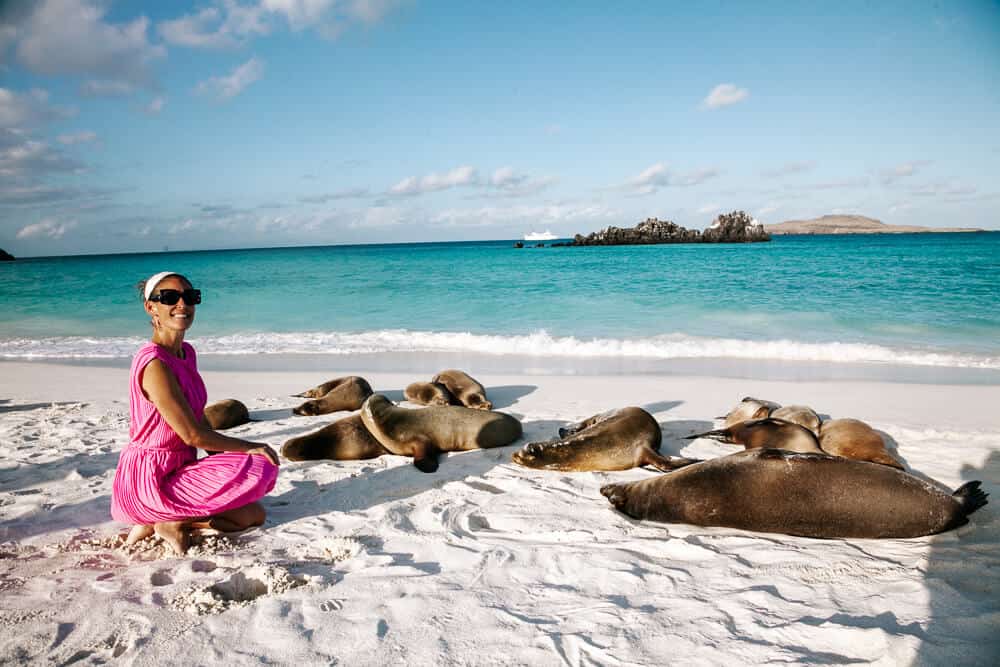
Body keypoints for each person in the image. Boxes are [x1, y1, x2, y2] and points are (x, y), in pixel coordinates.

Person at [111, 271, 280, 555]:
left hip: (179, 469)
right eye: (169, 297)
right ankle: (164, 517)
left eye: (190, 297)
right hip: (150, 479)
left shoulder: (186, 353)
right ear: (151, 307)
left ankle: (169, 521)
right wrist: (251, 448)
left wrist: (229, 462)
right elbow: (191, 434)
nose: (182, 304)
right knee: (260, 462)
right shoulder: (155, 364)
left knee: (252, 515)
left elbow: (198, 417)